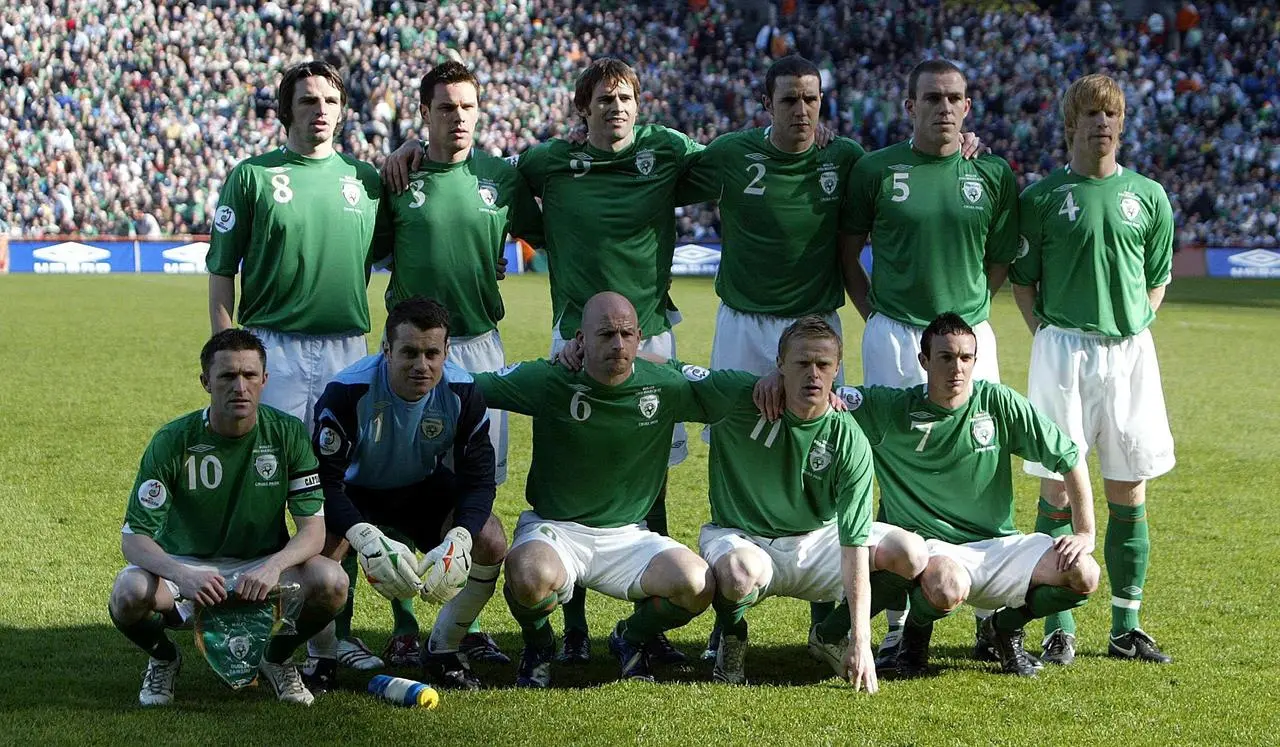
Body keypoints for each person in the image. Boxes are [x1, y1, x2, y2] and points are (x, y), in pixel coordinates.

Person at [383, 59, 701, 663]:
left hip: (651, 332)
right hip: (571, 338)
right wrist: (407, 148)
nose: (616, 107)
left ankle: (645, 630)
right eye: (603, 99)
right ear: (581, 109)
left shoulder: (666, 151)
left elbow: (724, 167)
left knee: (648, 475)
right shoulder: (543, 163)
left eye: (626, 97)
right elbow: (513, 212)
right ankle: (572, 626)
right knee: (568, 464)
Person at [204, 61, 385, 670]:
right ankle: (253, 622)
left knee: (344, 486)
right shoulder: (252, 177)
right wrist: (230, 357)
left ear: (343, 109)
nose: (321, 110)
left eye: (331, 100)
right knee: (264, 484)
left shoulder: (365, 179)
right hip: (272, 348)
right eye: (307, 100)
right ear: (286, 111)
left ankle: (330, 633)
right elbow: (222, 270)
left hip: (346, 350)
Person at [837, 59, 1019, 662]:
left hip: (968, 336)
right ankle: (895, 622)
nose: (945, 108)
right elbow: (849, 251)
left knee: (983, 461)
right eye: (933, 98)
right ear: (908, 105)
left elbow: (999, 260)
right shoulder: (875, 169)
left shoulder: (991, 173)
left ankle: (993, 619)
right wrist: (876, 316)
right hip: (892, 335)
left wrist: (967, 317)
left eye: (955, 99)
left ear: (968, 108)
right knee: (889, 468)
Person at [366, 60, 538, 668]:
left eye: (467, 107)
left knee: (475, 494)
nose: (458, 118)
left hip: (479, 348)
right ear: (425, 114)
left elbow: (546, 237)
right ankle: (405, 621)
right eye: (445, 108)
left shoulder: (502, 178)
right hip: (412, 353)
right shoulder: (398, 178)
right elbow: (368, 247)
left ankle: (454, 628)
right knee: (403, 481)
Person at [827, 314, 1100, 678]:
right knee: (945, 585)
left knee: (1085, 574)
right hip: (936, 551)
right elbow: (822, 394)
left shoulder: (998, 402)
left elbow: (1068, 456)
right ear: (924, 361)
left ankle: (1006, 627)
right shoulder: (891, 409)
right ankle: (914, 639)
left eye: (966, 358)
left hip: (999, 546)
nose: (957, 368)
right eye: (945, 357)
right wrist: (781, 384)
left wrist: (1085, 533)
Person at [1011, 73, 1176, 665]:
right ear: (1071, 126)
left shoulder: (1150, 197)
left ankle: (1126, 625)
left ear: (1122, 124)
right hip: (1063, 351)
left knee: (1129, 488)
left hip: (1130, 352)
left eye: (1110, 115)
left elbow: (1157, 278)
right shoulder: (1042, 198)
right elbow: (1024, 285)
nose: (1102, 125)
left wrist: (1132, 328)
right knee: (1057, 490)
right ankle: (1059, 625)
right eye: (1090, 116)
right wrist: (1050, 339)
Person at [470, 292, 715, 687]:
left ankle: (629, 637)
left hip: (628, 536)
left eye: (626, 334)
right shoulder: (550, 378)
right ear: (579, 341)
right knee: (528, 575)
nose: (618, 345)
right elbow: (470, 386)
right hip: (557, 529)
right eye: (605, 334)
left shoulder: (665, 385)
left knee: (697, 584)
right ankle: (540, 643)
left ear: (638, 339)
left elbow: (729, 390)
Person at [108, 330, 347, 706]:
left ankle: (276, 658)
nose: (240, 386)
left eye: (250, 375)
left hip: (261, 568)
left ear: (265, 380)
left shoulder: (287, 434)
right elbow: (133, 539)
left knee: (332, 581)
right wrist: (181, 573)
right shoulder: (173, 440)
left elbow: (314, 532)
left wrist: (274, 566)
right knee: (128, 593)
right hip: (185, 568)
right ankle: (164, 659)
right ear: (206, 382)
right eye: (227, 376)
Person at [688, 316, 924, 691]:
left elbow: (854, 544)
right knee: (737, 573)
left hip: (817, 542)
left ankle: (830, 634)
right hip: (745, 538)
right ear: (779, 364)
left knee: (911, 553)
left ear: (836, 371)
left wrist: (862, 640)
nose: (813, 374)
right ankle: (732, 638)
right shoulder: (738, 397)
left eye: (823, 365)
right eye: (801, 363)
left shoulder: (850, 438)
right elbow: (668, 377)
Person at [303, 297, 508, 691]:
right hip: (355, 491)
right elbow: (325, 482)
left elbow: (479, 481)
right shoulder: (347, 391)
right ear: (386, 350)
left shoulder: (463, 391)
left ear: (447, 351)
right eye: (409, 352)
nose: (422, 365)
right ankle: (322, 658)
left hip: (421, 489)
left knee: (490, 539)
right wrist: (362, 535)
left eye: (433, 353)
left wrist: (461, 536)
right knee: (319, 554)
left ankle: (443, 649)